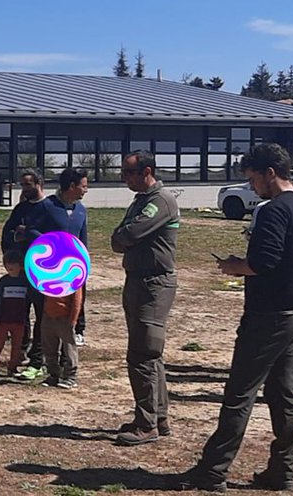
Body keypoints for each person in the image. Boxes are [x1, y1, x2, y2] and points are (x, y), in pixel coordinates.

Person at [183, 143, 293, 492]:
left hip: (268, 315)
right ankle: (283, 470)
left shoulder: (272, 210)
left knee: (240, 394)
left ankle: (212, 471)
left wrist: (233, 266)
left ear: (270, 173)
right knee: (284, 394)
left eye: (253, 179)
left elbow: (264, 263)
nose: (252, 187)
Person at [110, 151, 180, 446]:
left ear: (146, 171)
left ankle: (146, 422)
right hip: (139, 280)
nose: (124, 178)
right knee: (148, 353)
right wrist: (121, 236)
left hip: (153, 283)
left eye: (129, 173)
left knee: (143, 353)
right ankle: (158, 416)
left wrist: (122, 236)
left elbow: (128, 235)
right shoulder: (141, 201)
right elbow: (119, 238)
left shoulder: (159, 201)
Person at [26, 167, 89, 389]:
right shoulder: (47, 206)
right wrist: (52, 244)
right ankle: (50, 370)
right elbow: (30, 230)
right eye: (83, 185)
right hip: (48, 275)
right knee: (48, 326)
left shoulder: (81, 210)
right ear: (71, 186)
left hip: (72, 277)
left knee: (68, 327)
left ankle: (69, 372)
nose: (86, 189)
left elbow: (83, 243)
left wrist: (83, 272)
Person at [3, 170, 48, 381]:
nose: (24, 189)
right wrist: (10, 258)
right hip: (21, 271)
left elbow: (51, 239)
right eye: (22, 185)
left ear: (38, 183)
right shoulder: (20, 209)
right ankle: (19, 351)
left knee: (41, 316)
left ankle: (38, 359)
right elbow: (8, 234)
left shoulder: (48, 209)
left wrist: (28, 232)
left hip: (41, 271)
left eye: (27, 185)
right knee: (20, 313)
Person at [0, 251, 33, 381]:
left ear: (20, 265)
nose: (10, 266)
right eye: (7, 264)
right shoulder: (3, 281)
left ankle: (12, 368)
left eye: (13, 263)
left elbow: (29, 301)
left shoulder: (25, 282)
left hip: (19, 320)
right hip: (3, 320)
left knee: (17, 346)